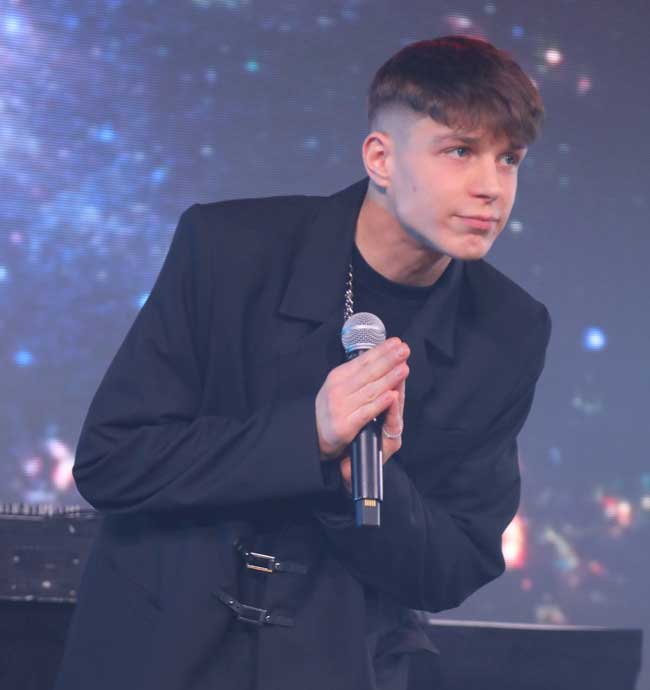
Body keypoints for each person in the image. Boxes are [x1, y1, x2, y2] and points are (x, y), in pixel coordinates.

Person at [54, 35, 551, 690]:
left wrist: (366, 479)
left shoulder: (508, 330)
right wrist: (307, 435)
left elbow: (454, 566)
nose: (490, 187)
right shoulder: (230, 250)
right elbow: (113, 462)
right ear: (381, 158)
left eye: (509, 159)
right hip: (160, 648)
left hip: (337, 658)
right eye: (460, 151)